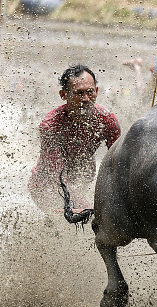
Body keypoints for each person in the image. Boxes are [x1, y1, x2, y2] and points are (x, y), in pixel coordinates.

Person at [28, 64, 121, 212]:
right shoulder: (51, 125)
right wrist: (88, 206)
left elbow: (119, 163)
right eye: (78, 93)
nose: (85, 99)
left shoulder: (107, 121)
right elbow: (56, 175)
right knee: (63, 223)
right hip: (46, 186)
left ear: (96, 91)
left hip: (82, 178)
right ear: (63, 95)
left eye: (90, 92)